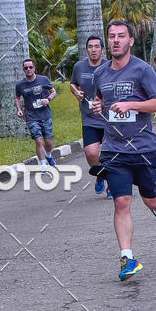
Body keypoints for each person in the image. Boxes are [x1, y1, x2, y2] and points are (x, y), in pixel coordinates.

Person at [92, 19, 156, 282]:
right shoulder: (100, 74)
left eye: (121, 36)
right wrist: (98, 107)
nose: (116, 40)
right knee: (121, 201)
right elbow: (100, 100)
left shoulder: (142, 70)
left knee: (151, 199)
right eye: (112, 36)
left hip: (144, 148)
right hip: (114, 150)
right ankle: (127, 258)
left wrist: (131, 105)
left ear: (130, 40)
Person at [70, 36, 110, 195]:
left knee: (109, 155)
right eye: (90, 47)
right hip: (89, 119)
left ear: (102, 49)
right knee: (91, 153)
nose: (93, 50)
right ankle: (100, 175)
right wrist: (76, 92)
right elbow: (73, 84)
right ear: (86, 49)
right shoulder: (79, 67)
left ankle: (111, 185)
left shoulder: (109, 66)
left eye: (96, 47)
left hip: (108, 119)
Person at [15, 60, 57, 168]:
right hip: (31, 116)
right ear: (23, 70)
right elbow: (17, 97)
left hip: (45, 114)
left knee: (48, 141)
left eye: (30, 67)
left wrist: (47, 99)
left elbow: (53, 92)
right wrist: (19, 109)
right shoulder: (20, 85)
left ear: (34, 68)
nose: (28, 69)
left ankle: (48, 155)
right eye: (26, 68)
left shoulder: (43, 79)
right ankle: (43, 165)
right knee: (38, 140)